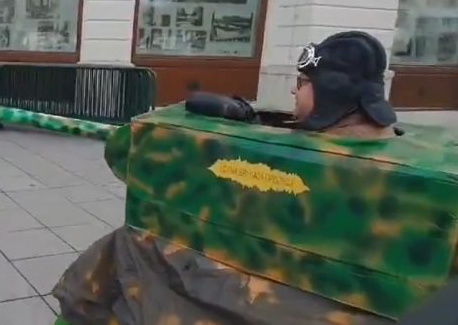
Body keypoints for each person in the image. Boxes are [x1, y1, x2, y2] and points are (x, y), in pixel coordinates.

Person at [52, 30, 399, 325]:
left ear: (332, 92)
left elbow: (123, 151)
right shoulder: (388, 151)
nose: (294, 91)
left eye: (303, 82)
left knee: (123, 253)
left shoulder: (317, 164)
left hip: (260, 296)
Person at [292, 30, 397, 138]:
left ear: (330, 91)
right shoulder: (388, 135)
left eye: (301, 82)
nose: (293, 90)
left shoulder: (320, 146)